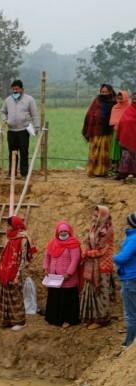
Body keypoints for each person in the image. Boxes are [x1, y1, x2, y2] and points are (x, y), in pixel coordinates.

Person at [0, 216, 36, 331]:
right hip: (6, 271)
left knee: (15, 297)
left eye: (9, 225)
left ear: (14, 226)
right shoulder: (9, 237)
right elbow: (4, 254)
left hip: (16, 272)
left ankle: (20, 321)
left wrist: (17, 274)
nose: (7, 228)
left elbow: (23, 259)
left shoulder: (23, 238)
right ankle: (7, 320)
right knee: (5, 295)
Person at [80, 205, 115, 329]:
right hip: (92, 264)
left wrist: (87, 253)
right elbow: (87, 242)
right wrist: (85, 250)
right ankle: (91, 317)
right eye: (93, 215)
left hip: (102, 266)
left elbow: (102, 250)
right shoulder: (94, 228)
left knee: (101, 292)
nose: (93, 218)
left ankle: (102, 320)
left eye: (96, 216)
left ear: (102, 217)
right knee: (91, 291)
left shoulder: (107, 231)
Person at [43, 221, 81, 328]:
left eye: (65, 231)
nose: (63, 233)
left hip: (67, 279)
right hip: (54, 278)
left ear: (69, 232)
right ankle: (53, 319)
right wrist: (46, 268)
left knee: (66, 299)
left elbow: (75, 260)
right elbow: (47, 256)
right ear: (57, 232)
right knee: (54, 297)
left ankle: (68, 320)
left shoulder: (74, 244)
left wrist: (68, 273)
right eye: (61, 231)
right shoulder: (52, 243)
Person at [0, 80, 40, 178]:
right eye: (13, 89)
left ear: (22, 89)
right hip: (11, 131)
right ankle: (12, 173)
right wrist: (5, 120)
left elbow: (35, 114)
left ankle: (24, 173)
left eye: (17, 89)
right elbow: (3, 112)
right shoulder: (8, 100)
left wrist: (36, 127)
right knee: (12, 152)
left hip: (24, 130)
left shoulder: (29, 100)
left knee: (24, 152)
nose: (15, 91)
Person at [82, 84, 116, 177]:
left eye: (106, 92)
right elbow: (89, 114)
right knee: (95, 151)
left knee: (104, 152)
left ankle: (103, 171)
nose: (104, 93)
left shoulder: (114, 102)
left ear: (110, 92)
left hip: (108, 131)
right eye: (102, 92)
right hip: (96, 130)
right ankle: (93, 171)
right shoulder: (96, 101)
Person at [113, 213, 136, 347]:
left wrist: (112, 257)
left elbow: (122, 258)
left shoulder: (133, 239)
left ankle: (130, 342)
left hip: (130, 278)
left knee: (130, 313)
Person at [109, 90, 130, 176]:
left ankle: (124, 170)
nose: (120, 98)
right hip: (116, 132)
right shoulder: (115, 107)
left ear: (126, 97)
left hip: (126, 133)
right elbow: (113, 121)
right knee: (115, 150)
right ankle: (115, 168)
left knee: (125, 151)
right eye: (118, 96)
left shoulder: (129, 107)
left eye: (121, 96)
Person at [116, 92, 136, 180]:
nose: (135, 101)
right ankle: (123, 173)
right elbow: (122, 123)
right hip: (127, 137)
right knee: (126, 155)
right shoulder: (128, 110)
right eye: (134, 99)